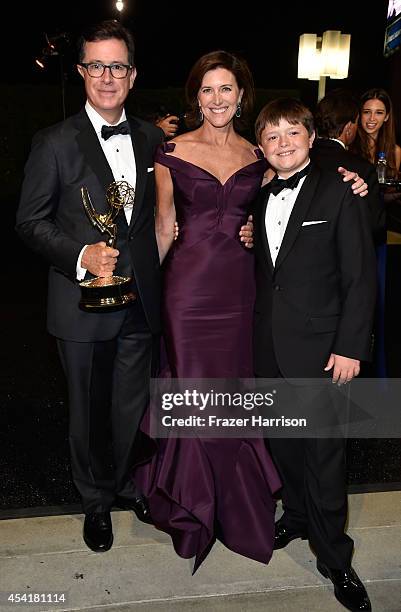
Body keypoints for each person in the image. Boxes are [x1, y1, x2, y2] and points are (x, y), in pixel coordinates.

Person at [16, 20, 165, 553]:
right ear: (81, 72)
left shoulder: (151, 137)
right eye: (96, 65)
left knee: (130, 406)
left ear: (132, 74)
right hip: (79, 304)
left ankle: (124, 484)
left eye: (117, 66)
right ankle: (94, 502)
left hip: (140, 306)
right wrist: (81, 254)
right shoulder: (53, 142)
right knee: (85, 410)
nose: (107, 76)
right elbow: (30, 223)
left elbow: (163, 216)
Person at [133, 50, 281, 573]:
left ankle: (234, 500)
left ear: (242, 96)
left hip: (239, 290)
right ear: (195, 97)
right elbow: (163, 225)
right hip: (187, 292)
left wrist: (355, 180)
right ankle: (191, 504)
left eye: (226, 90)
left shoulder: (261, 153)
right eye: (207, 90)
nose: (217, 99)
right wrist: (141, 295)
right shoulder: (171, 150)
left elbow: (286, 204)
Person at [253, 98, 377, 611]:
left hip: (325, 352)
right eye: (271, 137)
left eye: (291, 133)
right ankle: (299, 517)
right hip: (270, 349)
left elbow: (359, 276)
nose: (282, 144)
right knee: (285, 446)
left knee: (325, 455)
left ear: (309, 137)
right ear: (261, 147)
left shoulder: (340, 191)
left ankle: (335, 557)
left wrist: (350, 346)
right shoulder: (259, 200)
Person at [312, 88, 384, 245]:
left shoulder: (301, 159)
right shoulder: (362, 168)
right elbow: (375, 225)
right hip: (347, 253)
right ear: (349, 127)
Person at [351, 88, 401, 176]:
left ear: (386, 117)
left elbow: (392, 188)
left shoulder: (395, 151)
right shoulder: (349, 147)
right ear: (360, 114)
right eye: (367, 112)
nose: (372, 118)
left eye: (379, 113)